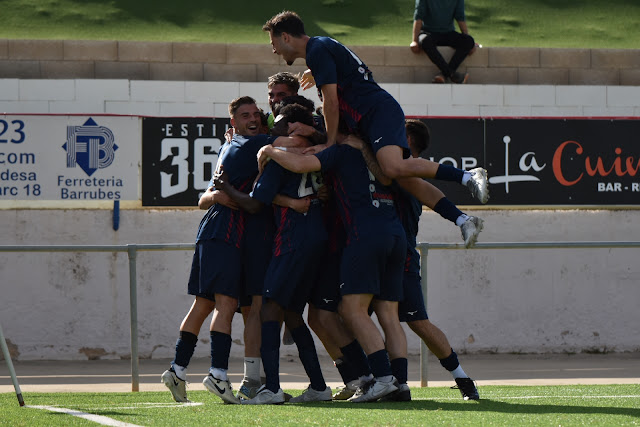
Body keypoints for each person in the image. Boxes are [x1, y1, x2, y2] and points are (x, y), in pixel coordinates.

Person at [262, 11, 489, 215]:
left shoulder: (317, 50)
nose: (274, 50)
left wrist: (329, 144)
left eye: (273, 43)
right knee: (401, 177)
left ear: (286, 37)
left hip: (377, 112)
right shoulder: (320, 49)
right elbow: (345, 69)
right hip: (369, 117)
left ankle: (468, 176)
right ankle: (462, 219)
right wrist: (315, 71)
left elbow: (331, 103)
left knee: (394, 167)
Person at [256, 133, 408, 403]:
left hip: (319, 242)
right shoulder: (347, 157)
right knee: (316, 316)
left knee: (339, 311)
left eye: (290, 134)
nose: (284, 140)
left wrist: (268, 151)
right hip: (351, 240)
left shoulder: (302, 156)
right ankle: (358, 380)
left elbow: (258, 196)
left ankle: (378, 378)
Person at [214, 103, 331, 405]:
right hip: (318, 235)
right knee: (291, 313)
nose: (269, 125)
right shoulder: (316, 154)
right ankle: (319, 386)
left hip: (293, 237)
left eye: (276, 123)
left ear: (292, 128)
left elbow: (255, 204)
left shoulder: (279, 158)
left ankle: (272, 388)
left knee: (268, 308)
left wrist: (226, 187)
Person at [160, 96, 267, 405]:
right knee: (226, 303)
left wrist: (217, 196)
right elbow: (206, 198)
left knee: (203, 304)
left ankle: (177, 370)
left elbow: (205, 197)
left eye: (256, 113)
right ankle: (218, 374)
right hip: (226, 234)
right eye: (245, 115)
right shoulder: (250, 145)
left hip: (215, 233)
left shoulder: (228, 146)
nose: (253, 118)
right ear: (233, 122)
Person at [390, 119, 480, 401]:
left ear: (407, 141)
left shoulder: (404, 172)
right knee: (357, 316)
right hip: (378, 253)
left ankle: (462, 378)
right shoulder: (394, 167)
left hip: (399, 257)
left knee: (416, 322)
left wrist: (459, 217)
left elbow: (431, 194)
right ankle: (382, 381)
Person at [410, 0, 477, 84]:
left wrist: (470, 44)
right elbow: (418, 17)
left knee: (468, 41)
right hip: (428, 33)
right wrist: (415, 41)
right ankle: (451, 74)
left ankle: (445, 74)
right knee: (425, 41)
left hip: (448, 33)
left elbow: (460, 17)